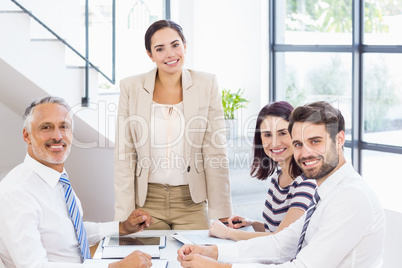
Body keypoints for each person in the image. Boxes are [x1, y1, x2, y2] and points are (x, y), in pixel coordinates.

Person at [177, 101, 386, 267]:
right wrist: (212, 251)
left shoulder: (351, 198)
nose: (305, 153)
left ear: (339, 139)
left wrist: (218, 266)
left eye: (315, 141)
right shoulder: (325, 193)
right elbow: (281, 245)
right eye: (298, 144)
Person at [0, 96, 154, 268]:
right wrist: (115, 267)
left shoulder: (57, 177)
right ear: (27, 136)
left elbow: (72, 232)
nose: (58, 136)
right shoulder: (16, 192)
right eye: (46, 127)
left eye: (64, 127)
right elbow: (34, 266)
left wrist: (122, 227)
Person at [114, 19, 232, 230]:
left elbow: (215, 151)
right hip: (146, 203)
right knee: (147, 262)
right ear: (150, 55)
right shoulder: (131, 87)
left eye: (175, 45)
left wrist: (221, 212)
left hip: (191, 203)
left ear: (185, 46)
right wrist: (124, 214)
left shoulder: (207, 84)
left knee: (196, 260)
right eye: (160, 49)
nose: (170, 54)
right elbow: (125, 155)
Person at [209, 101, 316, 241]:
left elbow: (282, 239)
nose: (275, 143)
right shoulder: (279, 177)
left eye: (282, 133)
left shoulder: (306, 182)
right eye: (267, 135)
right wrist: (251, 223)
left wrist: (228, 233)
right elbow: (274, 229)